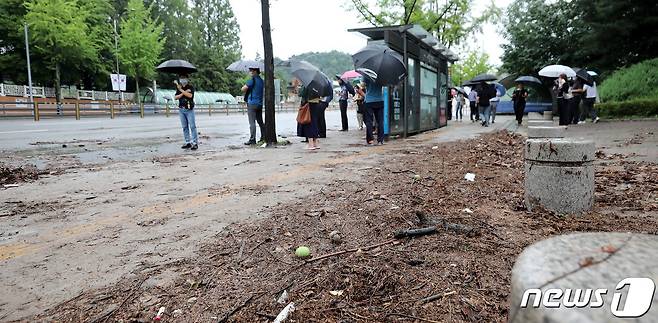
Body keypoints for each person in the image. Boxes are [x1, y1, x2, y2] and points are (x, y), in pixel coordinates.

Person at [241, 68, 265, 145]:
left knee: (252, 122)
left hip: (252, 103)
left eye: (251, 71)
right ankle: (263, 137)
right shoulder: (261, 81)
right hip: (259, 104)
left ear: (255, 71)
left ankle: (252, 139)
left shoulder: (252, 80)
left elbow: (243, 89)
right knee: (260, 122)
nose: (250, 72)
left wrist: (246, 85)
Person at [175, 74, 198, 150]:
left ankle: (195, 143)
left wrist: (181, 90)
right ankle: (187, 142)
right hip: (181, 109)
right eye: (181, 78)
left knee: (192, 126)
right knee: (184, 127)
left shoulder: (190, 87)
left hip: (189, 109)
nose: (182, 80)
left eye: (184, 78)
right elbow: (176, 97)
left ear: (187, 79)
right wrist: (182, 92)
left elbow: (190, 96)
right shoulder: (179, 88)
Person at [297, 85, 322, 150]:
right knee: (315, 122)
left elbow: (301, 94)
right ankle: (315, 143)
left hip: (308, 104)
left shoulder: (306, 83)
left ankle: (310, 144)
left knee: (308, 123)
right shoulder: (318, 83)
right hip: (316, 103)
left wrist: (300, 89)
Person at [363, 77, 384, 145]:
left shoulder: (367, 74)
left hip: (369, 101)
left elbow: (363, 84)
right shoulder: (382, 75)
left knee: (369, 121)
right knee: (380, 121)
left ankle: (370, 140)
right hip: (379, 100)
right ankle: (380, 140)